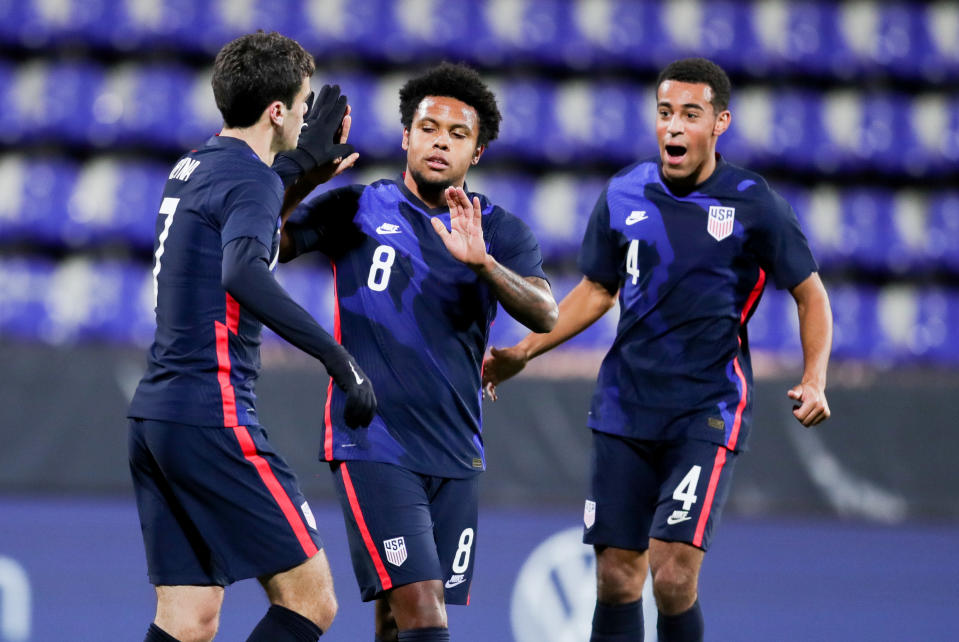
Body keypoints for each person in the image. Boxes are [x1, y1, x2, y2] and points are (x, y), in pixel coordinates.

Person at [482, 57, 833, 642]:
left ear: (720, 123)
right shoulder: (623, 191)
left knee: (671, 574)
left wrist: (815, 375)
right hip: (625, 406)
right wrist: (524, 351)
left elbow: (811, 295)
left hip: (707, 407)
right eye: (665, 113)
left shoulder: (753, 201)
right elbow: (596, 290)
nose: (673, 127)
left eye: (690, 115)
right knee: (618, 577)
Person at [278, 62, 559, 642]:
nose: (440, 142)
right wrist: (303, 177)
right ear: (406, 136)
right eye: (429, 127)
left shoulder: (497, 231)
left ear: (476, 153)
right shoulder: (356, 208)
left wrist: (483, 264)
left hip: (456, 448)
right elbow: (266, 242)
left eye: (459, 135)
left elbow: (545, 311)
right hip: (375, 438)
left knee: (396, 615)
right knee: (426, 615)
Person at [127, 31, 376, 642]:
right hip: (215, 415)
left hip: (158, 416)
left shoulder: (193, 166)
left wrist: (293, 170)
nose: (307, 113)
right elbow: (242, 269)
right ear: (277, 111)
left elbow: (243, 201)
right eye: (303, 101)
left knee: (188, 618)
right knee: (310, 599)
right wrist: (338, 359)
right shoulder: (252, 182)